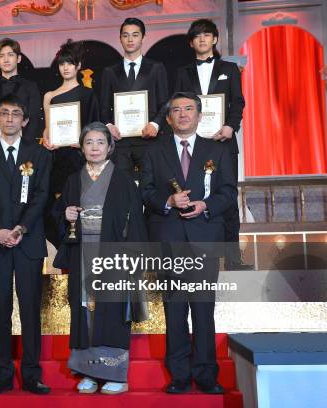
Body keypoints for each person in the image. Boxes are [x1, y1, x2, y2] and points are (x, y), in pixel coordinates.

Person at [140, 92, 237, 395]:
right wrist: (167, 200)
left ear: (199, 115)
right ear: (167, 118)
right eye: (176, 110)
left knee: (204, 309)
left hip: (204, 238)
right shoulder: (154, 151)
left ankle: (207, 374)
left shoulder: (217, 150)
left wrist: (205, 205)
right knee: (175, 308)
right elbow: (145, 192)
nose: (182, 114)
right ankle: (179, 374)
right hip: (168, 238)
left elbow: (228, 192)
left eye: (189, 109)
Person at [53, 122, 148, 395]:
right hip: (83, 250)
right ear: (82, 147)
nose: (94, 148)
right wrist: (66, 216)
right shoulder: (73, 180)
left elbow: (136, 221)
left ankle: (116, 374)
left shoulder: (124, 180)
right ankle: (89, 373)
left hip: (114, 254)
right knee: (84, 311)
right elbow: (59, 215)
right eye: (89, 142)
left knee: (112, 312)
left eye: (100, 142)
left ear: (110, 146)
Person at [0, 94, 52, 395]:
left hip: (28, 241)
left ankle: (32, 374)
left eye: (15, 113)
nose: (9, 119)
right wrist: (0, 230)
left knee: (31, 308)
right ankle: (3, 373)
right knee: (0, 309)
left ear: (25, 120)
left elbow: (41, 195)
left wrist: (20, 228)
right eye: (3, 113)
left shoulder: (40, 154)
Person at [174, 18, 247, 270]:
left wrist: (231, 126)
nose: (202, 39)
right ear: (191, 42)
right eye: (197, 36)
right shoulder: (182, 72)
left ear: (215, 39)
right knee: (194, 194)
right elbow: (177, 106)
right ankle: (200, 259)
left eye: (207, 35)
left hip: (223, 142)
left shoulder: (229, 68)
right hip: (193, 144)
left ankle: (234, 260)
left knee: (227, 197)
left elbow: (238, 102)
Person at [100, 17, 169, 177]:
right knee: (123, 189)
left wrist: (155, 125)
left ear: (143, 38)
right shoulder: (110, 72)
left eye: (135, 35)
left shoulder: (156, 68)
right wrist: (109, 125)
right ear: (120, 39)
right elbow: (104, 107)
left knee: (152, 187)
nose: (130, 39)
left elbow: (165, 103)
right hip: (120, 142)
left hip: (149, 139)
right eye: (125, 35)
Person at [42, 39, 100, 203]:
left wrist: (83, 142)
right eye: (62, 64)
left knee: (82, 201)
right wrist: (46, 140)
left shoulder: (87, 94)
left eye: (70, 63)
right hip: (57, 156)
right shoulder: (50, 96)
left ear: (78, 65)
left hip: (80, 156)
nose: (65, 67)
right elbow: (47, 130)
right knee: (59, 204)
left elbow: (95, 127)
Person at [0, 38, 43, 151]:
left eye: (10, 55)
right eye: (1, 56)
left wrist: (24, 146)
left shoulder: (30, 87)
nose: (6, 59)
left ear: (19, 58)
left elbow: (34, 119)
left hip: (25, 149)